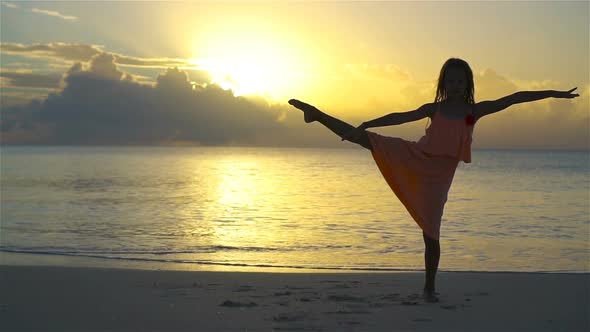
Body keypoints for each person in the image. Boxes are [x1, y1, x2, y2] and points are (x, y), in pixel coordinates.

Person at [288, 57, 579, 303]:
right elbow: (400, 117)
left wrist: (554, 94)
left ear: (468, 85)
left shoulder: (472, 112)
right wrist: (369, 122)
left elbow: (514, 99)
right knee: (365, 139)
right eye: (450, 81)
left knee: (432, 232)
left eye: (460, 82)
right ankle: (317, 114)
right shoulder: (435, 109)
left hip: (439, 177)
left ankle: (429, 287)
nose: (455, 86)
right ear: (443, 84)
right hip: (417, 157)